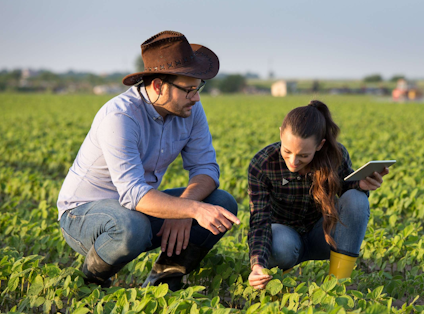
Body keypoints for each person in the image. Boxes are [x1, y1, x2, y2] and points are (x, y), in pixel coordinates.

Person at [57, 30, 240, 291]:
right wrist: (191, 210)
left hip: (135, 208)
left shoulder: (190, 109)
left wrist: (185, 207)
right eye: (188, 89)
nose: (196, 97)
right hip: (83, 215)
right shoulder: (120, 117)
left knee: (222, 203)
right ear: (157, 86)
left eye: (198, 87)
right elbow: (133, 195)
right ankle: (90, 282)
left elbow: (206, 169)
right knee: (132, 226)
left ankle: (163, 282)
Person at [247, 100, 389, 290]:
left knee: (357, 198)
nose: (293, 161)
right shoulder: (263, 163)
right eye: (287, 151)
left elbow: (349, 198)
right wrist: (257, 265)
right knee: (279, 241)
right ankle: (278, 289)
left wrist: (360, 185)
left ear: (320, 145)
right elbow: (260, 220)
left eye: (303, 155)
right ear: (281, 133)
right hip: (285, 238)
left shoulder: (335, 155)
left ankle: (337, 288)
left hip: (322, 234)